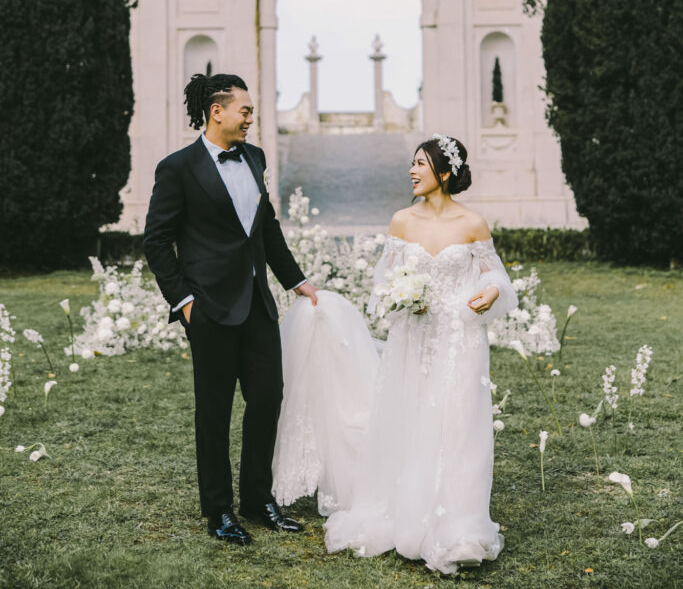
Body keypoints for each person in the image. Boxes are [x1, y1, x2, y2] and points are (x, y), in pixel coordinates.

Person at [272, 134, 518, 576]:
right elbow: (383, 283)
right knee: (411, 420)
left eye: (421, 163)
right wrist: (402, 297)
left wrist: (492, 291)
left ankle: (460, 526)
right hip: (413, 339)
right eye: (412, 162)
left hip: (460, 339)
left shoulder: (473, 223)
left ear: (445, 172)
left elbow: (494, 274)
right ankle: (407, 515)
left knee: (459, 425)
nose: (412, 170)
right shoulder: (402, 221)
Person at [143, 72, 318, 546]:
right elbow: (156, 241)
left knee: (267, 398)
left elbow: (266, 227)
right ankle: (219, 510)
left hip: (258, 304)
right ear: (216, 112)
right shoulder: (177, 168)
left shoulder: (254, 157)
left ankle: (258, 500)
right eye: (245, 111)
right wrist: (184, 302)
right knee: (214, 412)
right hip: (209, 309)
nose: (250, 119)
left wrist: (296, 280)